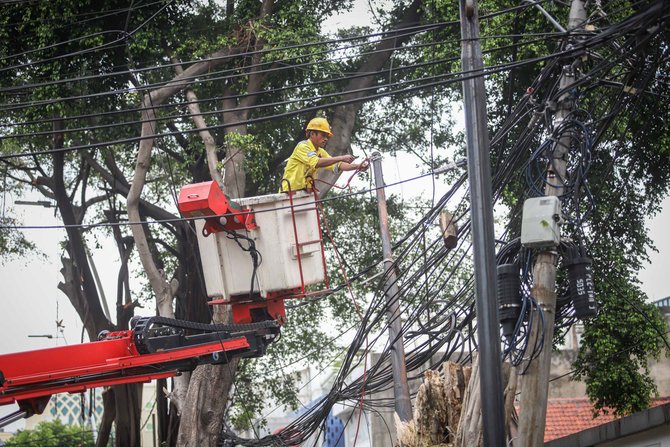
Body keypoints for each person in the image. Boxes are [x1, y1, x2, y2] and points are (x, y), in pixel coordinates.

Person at [280, 117, 369, 192]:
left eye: (327, 136)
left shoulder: (320, 152)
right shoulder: (303, 147)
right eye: (323, 135)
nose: (326, 139)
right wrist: (341, 157)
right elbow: (317, 162)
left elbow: (338, 165)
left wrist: (358, 166)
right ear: (312, 134)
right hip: (289, 193)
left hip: (303, 194)